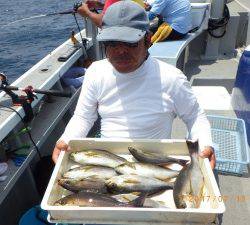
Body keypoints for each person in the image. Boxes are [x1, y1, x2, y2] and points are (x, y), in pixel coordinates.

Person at [52, 1, 215, 169]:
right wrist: (66, 139)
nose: (121, 51)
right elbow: (83, 117)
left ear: (147, 40)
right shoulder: (95, 72)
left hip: (156, 163)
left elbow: (194, 117)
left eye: (130, 43)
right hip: (108, 163)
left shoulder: (172, 78)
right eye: (112, 43)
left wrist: (205, 145)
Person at [77, 0, 145, 28]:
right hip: (138, 38)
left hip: (123, 44)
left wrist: (86, 12)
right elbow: (123, 9)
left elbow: (105, 23)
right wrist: (101, 5)